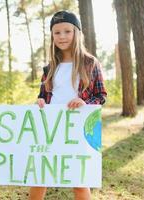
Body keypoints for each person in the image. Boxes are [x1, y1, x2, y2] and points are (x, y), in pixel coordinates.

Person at [30, 10, 107, 200]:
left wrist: (84, 102)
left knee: (79, 183)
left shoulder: (90, 63)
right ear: (52, 36)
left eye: (67, 31)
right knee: (39, 178)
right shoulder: (50, 67)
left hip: (77, 129)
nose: (62, 36)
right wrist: (40, 101)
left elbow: (101, 95)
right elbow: (43, 96)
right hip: (51, 128)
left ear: (77, 33)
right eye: (57, 32)